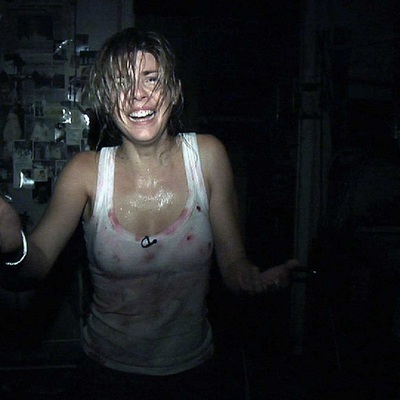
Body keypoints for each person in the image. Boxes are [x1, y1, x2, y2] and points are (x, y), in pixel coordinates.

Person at [0, 28, 298, 399]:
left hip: (194, 373)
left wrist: (252, 279)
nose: (138, 94)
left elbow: (233, 265)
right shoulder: (84, 172)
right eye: (121, 83)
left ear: (172, 90)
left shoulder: (208, 157)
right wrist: (14, 247)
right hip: (106, 375)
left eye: (151, 79)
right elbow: (36, 263)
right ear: (106, 100)